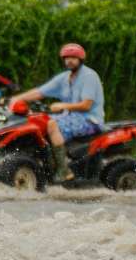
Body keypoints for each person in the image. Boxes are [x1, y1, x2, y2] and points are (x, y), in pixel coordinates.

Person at [14, 42, 104, 182]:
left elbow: (86, 105)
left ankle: (63, 170)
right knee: (37, 120)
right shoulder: (64, 78)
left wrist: (63, 105)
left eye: (73, 58)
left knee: (51, 124)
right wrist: (15, 99)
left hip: (89, 120)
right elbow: (39, 92)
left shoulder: (89, 76)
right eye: (66, 58)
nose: (69, 61)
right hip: (69, 117)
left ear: (81, 59)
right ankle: (46, 164)